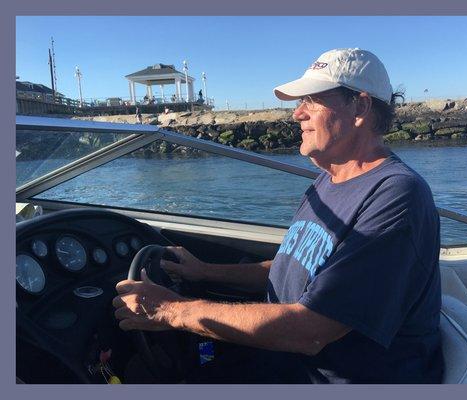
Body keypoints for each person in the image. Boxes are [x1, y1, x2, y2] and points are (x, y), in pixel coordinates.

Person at [113, 48, 443, 384]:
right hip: (280, 361)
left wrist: (169, 310)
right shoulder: (327, 181)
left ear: (359, 107)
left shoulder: (396, 196)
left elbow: (311, 331)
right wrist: (204, 272)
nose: (296, 114)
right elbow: (293, 268)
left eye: (311, 101)